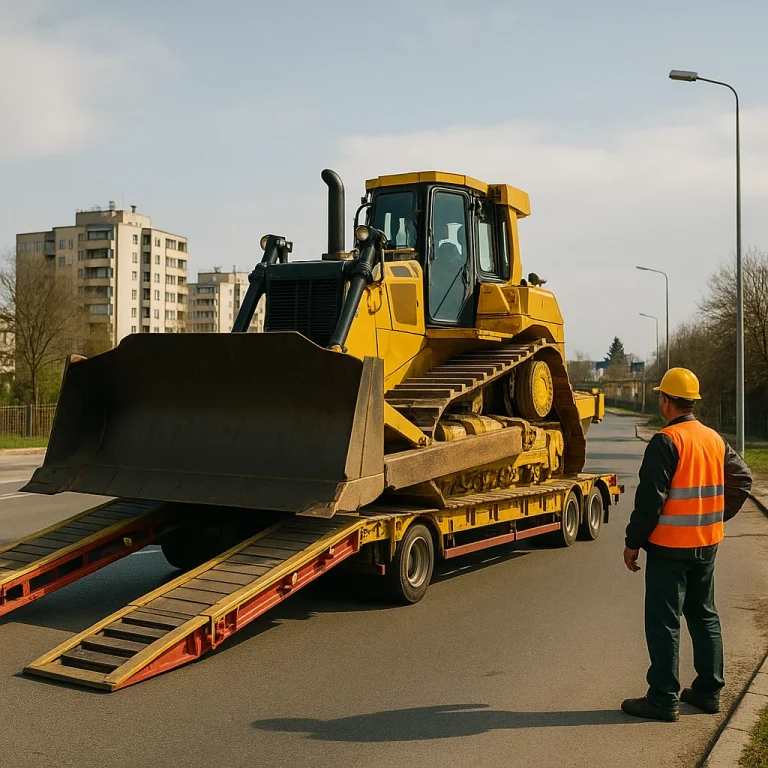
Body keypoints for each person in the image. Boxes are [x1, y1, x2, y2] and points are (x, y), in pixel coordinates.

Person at [621, 368, 752, 722]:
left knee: (664, 621)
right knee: (704, 614)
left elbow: (650, 501)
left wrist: (633, 543)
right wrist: (715, 516)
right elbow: (743, 478)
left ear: (666, 401)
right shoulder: (713, 439)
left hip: (669, 549)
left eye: (660, 396)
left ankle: (663, 698)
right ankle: (708, 693)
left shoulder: (666, 441)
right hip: (706, 545)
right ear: (692, 401)